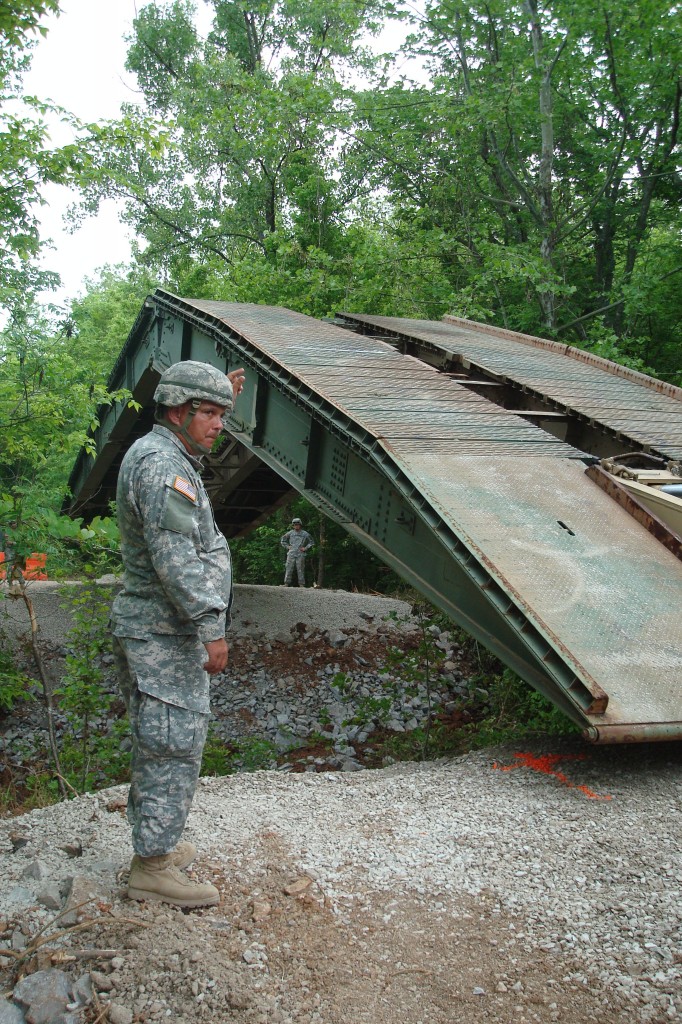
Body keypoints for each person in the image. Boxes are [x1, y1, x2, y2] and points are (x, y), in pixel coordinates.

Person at [111, 359, 245, 908]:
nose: (218, 425)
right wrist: (211, 626)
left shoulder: (169, 454)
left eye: (222, 414)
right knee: (172, 744)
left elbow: (185, 549)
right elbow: (176, 560)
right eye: (208, 414)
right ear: (176, 411)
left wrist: (219, 390)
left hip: (162, 632)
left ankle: (157, 845)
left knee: (166, 740)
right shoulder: (161, 466)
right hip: (162, 635)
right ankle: (152, 867)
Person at [280, 517, 314, 587]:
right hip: (291, 553)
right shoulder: (290, 533)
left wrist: (305, 548)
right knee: (288, 568)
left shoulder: (305, 534)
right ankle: (286, 583)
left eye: (297, 524)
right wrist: (287, 547)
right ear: (293, 525)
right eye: (294, 524)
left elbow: (312, 542)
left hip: (300, 553)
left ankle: (301, 584)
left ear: (300, 525)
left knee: (300, 569)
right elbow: (283, 540)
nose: (296, 526)